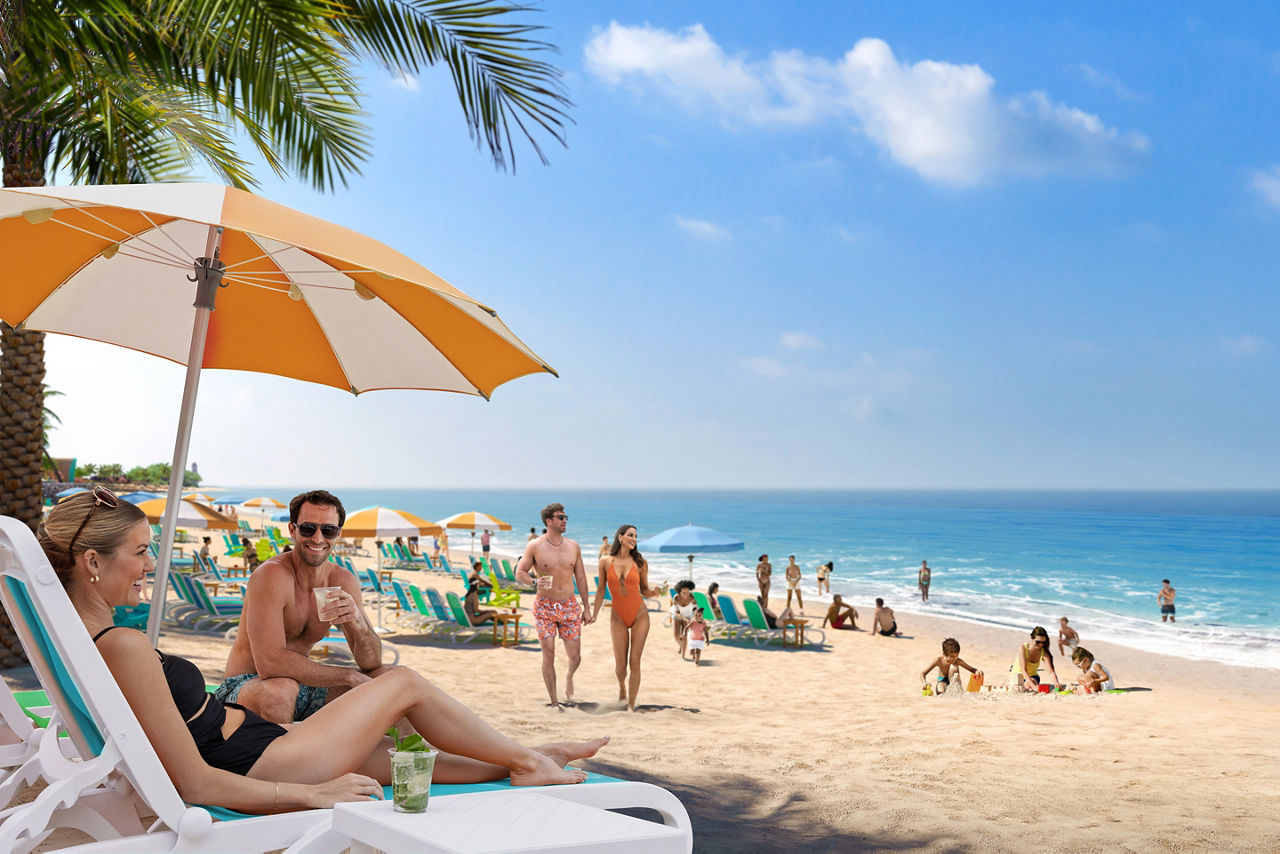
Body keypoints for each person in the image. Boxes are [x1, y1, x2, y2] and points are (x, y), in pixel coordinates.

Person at [37, 488, 606, 813]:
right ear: (92, 562)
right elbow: (193, 784)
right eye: (140, 552)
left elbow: (366, 656)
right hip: (266, 762)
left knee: (414, 763)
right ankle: (530, 760)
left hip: (265, 743)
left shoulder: (93, 644)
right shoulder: (125, 647)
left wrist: (356, 622)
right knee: (400, 684)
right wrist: (311, 794)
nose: (149, 565)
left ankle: (527, 754)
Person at [217, 490, 393, 725]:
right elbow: (269, 664)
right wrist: (348, 676)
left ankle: (401, 759)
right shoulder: (272, 575)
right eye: (308, 528)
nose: (318, 539)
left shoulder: (343, 581)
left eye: (328, 530)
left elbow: (371, 662)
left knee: (391, 682)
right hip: (246, 686)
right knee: (281, 690)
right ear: (293, 530)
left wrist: (357, 621)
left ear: (338, 534)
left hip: (301, 687)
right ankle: (285, 761)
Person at [515, 503, 594, 709]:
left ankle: (569, 676)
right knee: (548, 652)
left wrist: (586, 607)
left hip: (569, 605)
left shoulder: (573, 546)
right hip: (544, 606)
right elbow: (520, 572)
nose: (565, 520)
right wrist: (533, 582)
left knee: (575, 656)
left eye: (566, 517)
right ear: (549, 521)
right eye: (561, 517)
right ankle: (554, 700)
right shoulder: (535, 546)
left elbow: (582, 578)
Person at [590, 524, 660, 711]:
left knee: (634, 661)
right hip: (618, 617)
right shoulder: (605, 561)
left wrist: (655, 592)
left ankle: (631, 705)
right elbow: (600, 591)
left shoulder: (641, 562)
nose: (634, 539)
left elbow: (644, 590)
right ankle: (622, 687)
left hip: (640, 615)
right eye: (630, 535)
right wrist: (593, 614)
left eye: (636, 536)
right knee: (620, 666)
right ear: (619, 537)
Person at [1013, 626, 1063, 692]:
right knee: (1021, 685)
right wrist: (1034, 687)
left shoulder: (1043, 652)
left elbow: (1051, 672)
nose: (1040, 645)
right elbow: (1023, 670)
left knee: (1028, 685)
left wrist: (1056, 682)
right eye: (1038, 642)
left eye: (1043, 642)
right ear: (1031, 638)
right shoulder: (1023, 648)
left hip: (1033, 677)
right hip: (1017, 676)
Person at [669, 580, 699, 659]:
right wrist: (684, 619)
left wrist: (694, 617)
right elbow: (677, 613)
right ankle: (681, 645)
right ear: (679, 592)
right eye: (683, 593)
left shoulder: (692, 597)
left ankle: (683, 655)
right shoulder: (676, 598)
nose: (686, 595)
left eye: (687, 592)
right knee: (676, 636)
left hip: (688, 615)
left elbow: (696, 608)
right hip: (678, 615)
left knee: (684, 635)